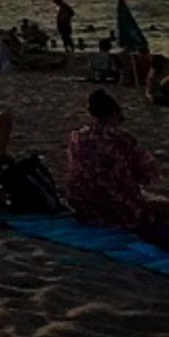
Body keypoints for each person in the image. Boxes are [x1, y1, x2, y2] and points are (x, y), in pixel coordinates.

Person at [66, 89, 169, 246]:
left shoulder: (76, 137)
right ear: (113, 114)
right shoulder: (121, 140)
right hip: (118, 208)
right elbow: (148, 174)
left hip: (83, 205)